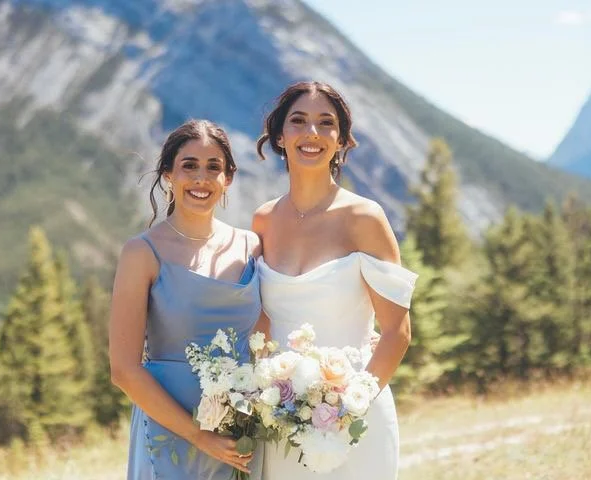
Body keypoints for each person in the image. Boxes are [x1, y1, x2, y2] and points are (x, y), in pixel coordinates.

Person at [253, 81, 418, 480]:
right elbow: (259, 324)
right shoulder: (262, 221)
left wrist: (347, 409)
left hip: (357, 415)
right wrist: (263, 395)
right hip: (282, 415)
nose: (312, 133)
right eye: (299, 121)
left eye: (326, 123)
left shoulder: (365, 218)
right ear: (280, 135)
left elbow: (397, 332)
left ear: (341, 139)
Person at [109, 119, 263, 480]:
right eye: (189, 166)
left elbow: (269, 334)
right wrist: (198, 435)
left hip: (239, 436)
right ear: (168, 175)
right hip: (170, 433)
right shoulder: (142, 252)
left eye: (214, 168)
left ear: (228, 178)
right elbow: (124, 370)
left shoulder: (252, 247)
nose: (201, 178)